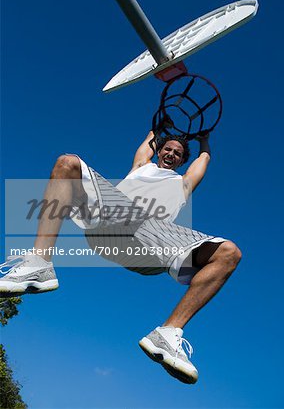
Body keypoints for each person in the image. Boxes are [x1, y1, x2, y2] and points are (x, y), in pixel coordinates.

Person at [0, 130, 241, 384]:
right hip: (108, 223)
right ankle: (39, 265)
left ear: (182, 161)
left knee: (228, 253)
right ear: (159, 151)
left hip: (152, 244)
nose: (171, 154)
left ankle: (168, 334)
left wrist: (205, 141)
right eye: (167, 149)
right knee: (67, 163)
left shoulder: (183, 183)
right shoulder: (140, 166)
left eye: (178, 153)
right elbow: (148, 141)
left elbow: (202, 160)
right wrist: (160, 123)